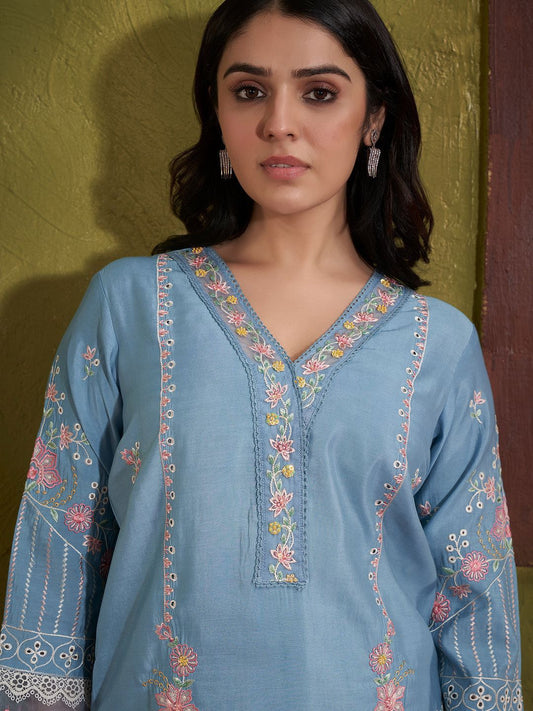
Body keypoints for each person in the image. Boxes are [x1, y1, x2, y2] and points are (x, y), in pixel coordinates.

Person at [0, 0, 522, 708]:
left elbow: (473, 592)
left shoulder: (438, 343)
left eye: (319, 92)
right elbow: (59, 541)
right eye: (248, 91)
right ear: (217, 114)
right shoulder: (131, 304)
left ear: (373, 118)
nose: (279, 122)